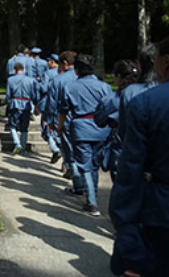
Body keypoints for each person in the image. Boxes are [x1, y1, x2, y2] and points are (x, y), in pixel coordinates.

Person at [109, 35, 169, 277]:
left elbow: (130, 173)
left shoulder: (147, 103)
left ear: (166, 61)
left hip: (162, 214)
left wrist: (128, 237)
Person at [58, 54, 111, 217]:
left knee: (86, 165)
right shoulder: (104, 87)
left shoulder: (70, 87)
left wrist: (60, 128)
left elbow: (63, 111)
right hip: (101, 128)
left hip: (80, 128)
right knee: (94, 164)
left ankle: (92, 201)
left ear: (77, 69)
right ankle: (91, 195)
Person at [94, 59, 138, 183]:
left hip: (120, 148)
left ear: (118, 76)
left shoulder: (113, 99)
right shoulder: (148, 93)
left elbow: (99, 119)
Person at [49, 51, 86, 196]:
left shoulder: (59, 80)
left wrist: (52, 122)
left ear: (64, 63)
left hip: (67, 121)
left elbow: (53, 103)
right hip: (87, 120)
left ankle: (78, 185)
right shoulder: (82, 77)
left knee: (70, 155)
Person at [118, 44, 158, 142]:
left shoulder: (129, 91)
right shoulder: (166, 90)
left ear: (139, 64)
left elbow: (123, 129)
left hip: (135, 146)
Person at [6, 62, 39, 155]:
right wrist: (36, 105)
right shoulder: (31, 80)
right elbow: (34, 95)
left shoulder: (10, 80)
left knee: (12, 125)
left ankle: (17, 143)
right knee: (24, 127)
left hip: (15, 103)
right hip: (26, 105)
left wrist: (9, 102)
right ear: (24, 70)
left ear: (15, 70)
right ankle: (23, 148)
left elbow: (8, 94)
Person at [40, 54, 60, 163]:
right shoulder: (62, 73)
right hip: (61, 105)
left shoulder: (48, 73)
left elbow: (44, 88)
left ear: (52, 61)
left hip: (49, 104)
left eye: (49, 61)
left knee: (46, 129)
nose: (47, 63)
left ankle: (55, 149)